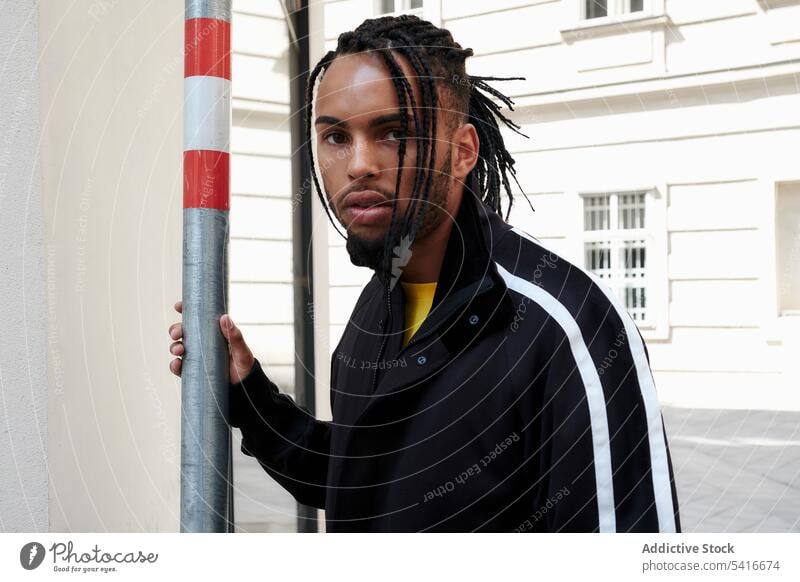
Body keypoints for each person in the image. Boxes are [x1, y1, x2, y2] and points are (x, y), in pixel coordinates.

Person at [168, 14, 681, 533]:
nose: (358, 164)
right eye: (336, 137)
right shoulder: (375, 312)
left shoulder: (565, 325)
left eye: (393, 133)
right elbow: (365, 483)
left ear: (462, 152)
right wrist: (250, 396)